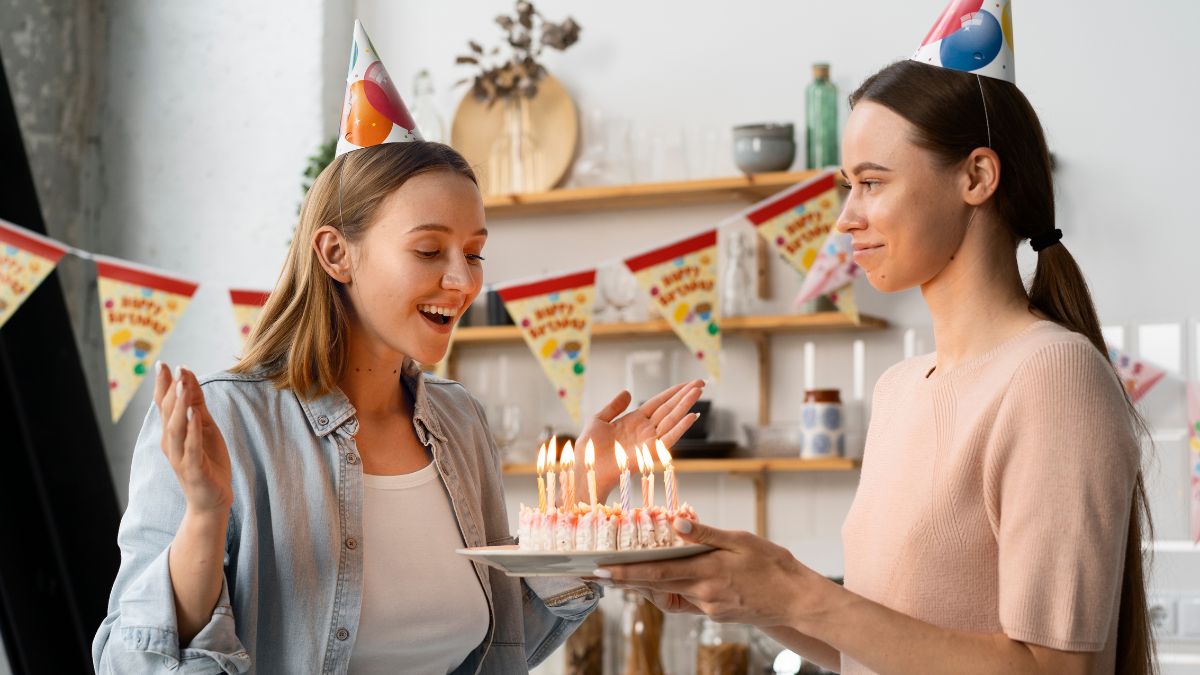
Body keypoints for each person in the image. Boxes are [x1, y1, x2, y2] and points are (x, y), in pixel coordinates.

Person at [93, 21, 703, 674]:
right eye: (428, 250)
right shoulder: (225, 422)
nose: (464, 280)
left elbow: (506, 644)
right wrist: (206, 519)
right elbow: (131, 662)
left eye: (474, 253)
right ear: (336, 253)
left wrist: (578, 499)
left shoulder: (459, 422)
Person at [598, 6, 1155, 674]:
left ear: (976, 176)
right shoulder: (898, 390)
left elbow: (1054, 670)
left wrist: (798, 591)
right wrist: (754, 596)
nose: (845, 218)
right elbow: (873, 646)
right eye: (846, 186)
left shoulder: (1052, 374)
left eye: (870, 182)